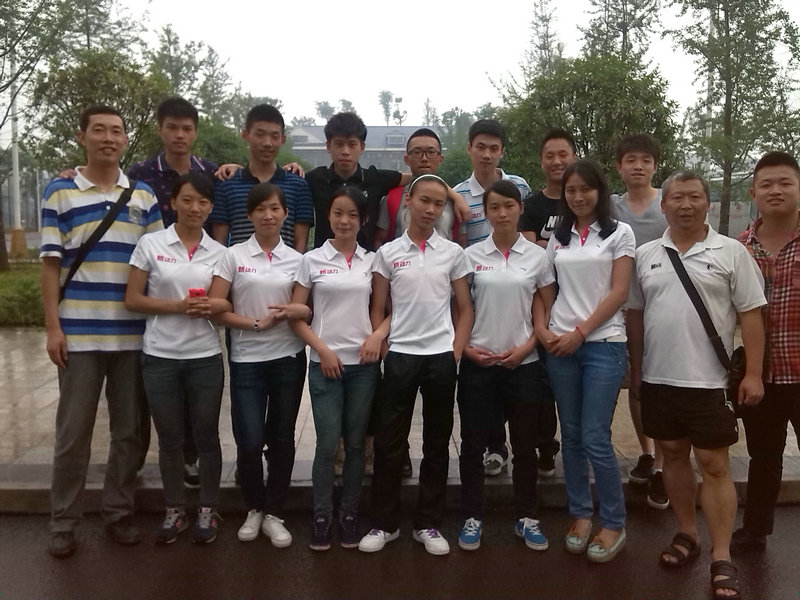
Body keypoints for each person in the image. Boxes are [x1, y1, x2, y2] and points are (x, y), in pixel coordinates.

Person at [627, 171, 765, 600]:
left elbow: (751, 314)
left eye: (694, 197)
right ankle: (687, 533)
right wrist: (637, 370)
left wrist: (754, 373)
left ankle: (722, 554)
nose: (685, 205)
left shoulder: (732, 252)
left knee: (715, 464)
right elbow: (636, 315)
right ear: (663, 205)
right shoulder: (646, 254)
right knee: (672, 456)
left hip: (710, 382)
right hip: (658, 378)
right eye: (677, 198)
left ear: (708, 203)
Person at [40, 105, 163, 558]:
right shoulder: (59, 192)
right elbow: (50, 266)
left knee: (129, 433)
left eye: (116, 131)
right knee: (73, 434)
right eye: (99, 130)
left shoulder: (143, 196)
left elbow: (160, 262)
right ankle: (63, 521)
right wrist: (53, 327)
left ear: (126, 139)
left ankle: (118, 512)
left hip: (133, 337)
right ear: (82, 137)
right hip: (79, 336)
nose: (108, 138)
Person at [358, 174, 473, 556]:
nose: (430, 209)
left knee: (437, 443)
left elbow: (464, 308)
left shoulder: (453, 253)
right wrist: (385, 347)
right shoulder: (388, 253)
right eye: (424, 200)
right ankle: (385, 523)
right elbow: (378, 308)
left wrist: (455, 351)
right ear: (408, 200)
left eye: (438, 204)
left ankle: (428, 523)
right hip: (401, 355)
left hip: (440, 357)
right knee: (390, 444)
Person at [534, 159, 634, 563]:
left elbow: (619, 292)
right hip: (561, 345)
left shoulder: (619, 233)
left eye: (585, 189)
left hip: (603, 344)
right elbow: (544, 287)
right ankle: (579, 515)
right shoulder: (558, 238)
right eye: (570, 190)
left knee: (595, 436)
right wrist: (544, 329)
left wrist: (581, 332)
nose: (577, 197)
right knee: (572, 436)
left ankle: (613, 522)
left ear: (599, 191)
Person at [125, 172, 228, 544]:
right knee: (169, 439)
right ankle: (175, 509)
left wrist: (213, 305)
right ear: (173, 203)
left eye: (203, 202)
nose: (195, 208)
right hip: (161, 356)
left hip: (204, 356)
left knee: (207, 437)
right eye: (187, 200)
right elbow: (133, 299)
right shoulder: (151, 243)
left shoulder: (220, 252)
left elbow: (223, 304)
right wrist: (178, 306)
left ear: (210, 207)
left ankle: (208, 508)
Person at [208, 182, 309, 548]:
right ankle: (254, 506)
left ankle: (274, 512)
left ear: (285, 214)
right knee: (249, 440)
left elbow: (304, 308)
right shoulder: (232, 256)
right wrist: (254, 323)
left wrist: (296, 310)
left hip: (288, 358)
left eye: (275, 208)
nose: (269, 215)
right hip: (247, 358)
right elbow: (215, 307)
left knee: (281, 439)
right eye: (261, 209)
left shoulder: (298, 260)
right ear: (249, 215)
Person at [457, 180, 555, 552]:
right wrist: (466, 350)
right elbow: (459, 308)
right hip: (478, 363)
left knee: (525, 446)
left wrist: (528, 346)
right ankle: (472, 515)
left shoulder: (537, 257)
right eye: (494, 207)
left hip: (523, 363)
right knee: (472, 445)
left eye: (508, 206)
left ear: (519, 209)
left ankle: (526, 516)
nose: (502, 214)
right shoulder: (470, 256)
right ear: (486, 212)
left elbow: (545, 307)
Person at [127, 96, 219, 488]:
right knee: (152, 402)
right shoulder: (139, 174)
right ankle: (141, 467)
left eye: (187, 128)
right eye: (172, 127)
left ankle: (193, 467)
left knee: (201, 415)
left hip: (200, 276)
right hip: (156, 276)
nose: (180, 135)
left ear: (195, 132)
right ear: (160, 129)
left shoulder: (211, 171)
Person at [289, 187, 384, 551]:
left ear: (363, 220)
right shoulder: (311, 260)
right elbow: (297, 317)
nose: (345, 221)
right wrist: (322, 351)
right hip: (325, 365)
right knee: (328, 445)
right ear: (328, 216)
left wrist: (377, 336)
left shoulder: (372, 261)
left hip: (364, 366)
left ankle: (349, 514)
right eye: (338, 213)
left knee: (357, 445)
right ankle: (322, 516)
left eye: (352, 215)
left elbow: (388, 310)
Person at [732, 151, 800, 554]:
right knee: (763, 457)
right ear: (753, 193)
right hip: (760, 375)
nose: (776, 190)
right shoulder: (738, 247)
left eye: (785, 183)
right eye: (767, 184)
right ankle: (755, 530)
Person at [518, 128, 580, 479]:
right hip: (541, 302)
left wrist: (547, 244)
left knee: (577, 383)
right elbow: (533, 254)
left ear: (574, 157)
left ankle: (584, 446)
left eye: (563, 154)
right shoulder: (532, 206)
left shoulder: (582, 201)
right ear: (541, 161)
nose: (557, 161)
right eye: (550, 156)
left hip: (580, 302)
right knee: (542, 381)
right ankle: (545, 446)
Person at [612, 133, 670, 509]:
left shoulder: (668, 201)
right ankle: (646, 452)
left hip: (666, 306)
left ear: (655, 166)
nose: (638, 166)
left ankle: (663, 466)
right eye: (631, 160)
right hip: (627, 307)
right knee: (636, 383)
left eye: (645, 160)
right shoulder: (611, 206)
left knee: (661, 383)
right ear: (619, 166)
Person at [208, 104, 313, 251]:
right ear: (245, 135)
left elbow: (300, 244)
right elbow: (219, 244)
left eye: (274, 136)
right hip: (238, 265)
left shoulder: (298, 185)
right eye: (260, 134)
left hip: (286, 265)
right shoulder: (227, 184)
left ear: (282, 139)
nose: (267, 143)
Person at [375, 128, 465, 246]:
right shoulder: (392, 199)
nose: (424, 158)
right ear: (406, 159)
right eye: (417, 152)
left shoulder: (456, 201)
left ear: (440, 159)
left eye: (431, 152)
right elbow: (379, 240)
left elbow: (462, 241)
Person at [454, 119, 532, 247]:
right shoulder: (458, 195)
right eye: (480, 147)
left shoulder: (520, 186)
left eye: (494, 149)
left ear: (502, 152)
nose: (487, 155)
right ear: (469, 148)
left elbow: (529, 229)